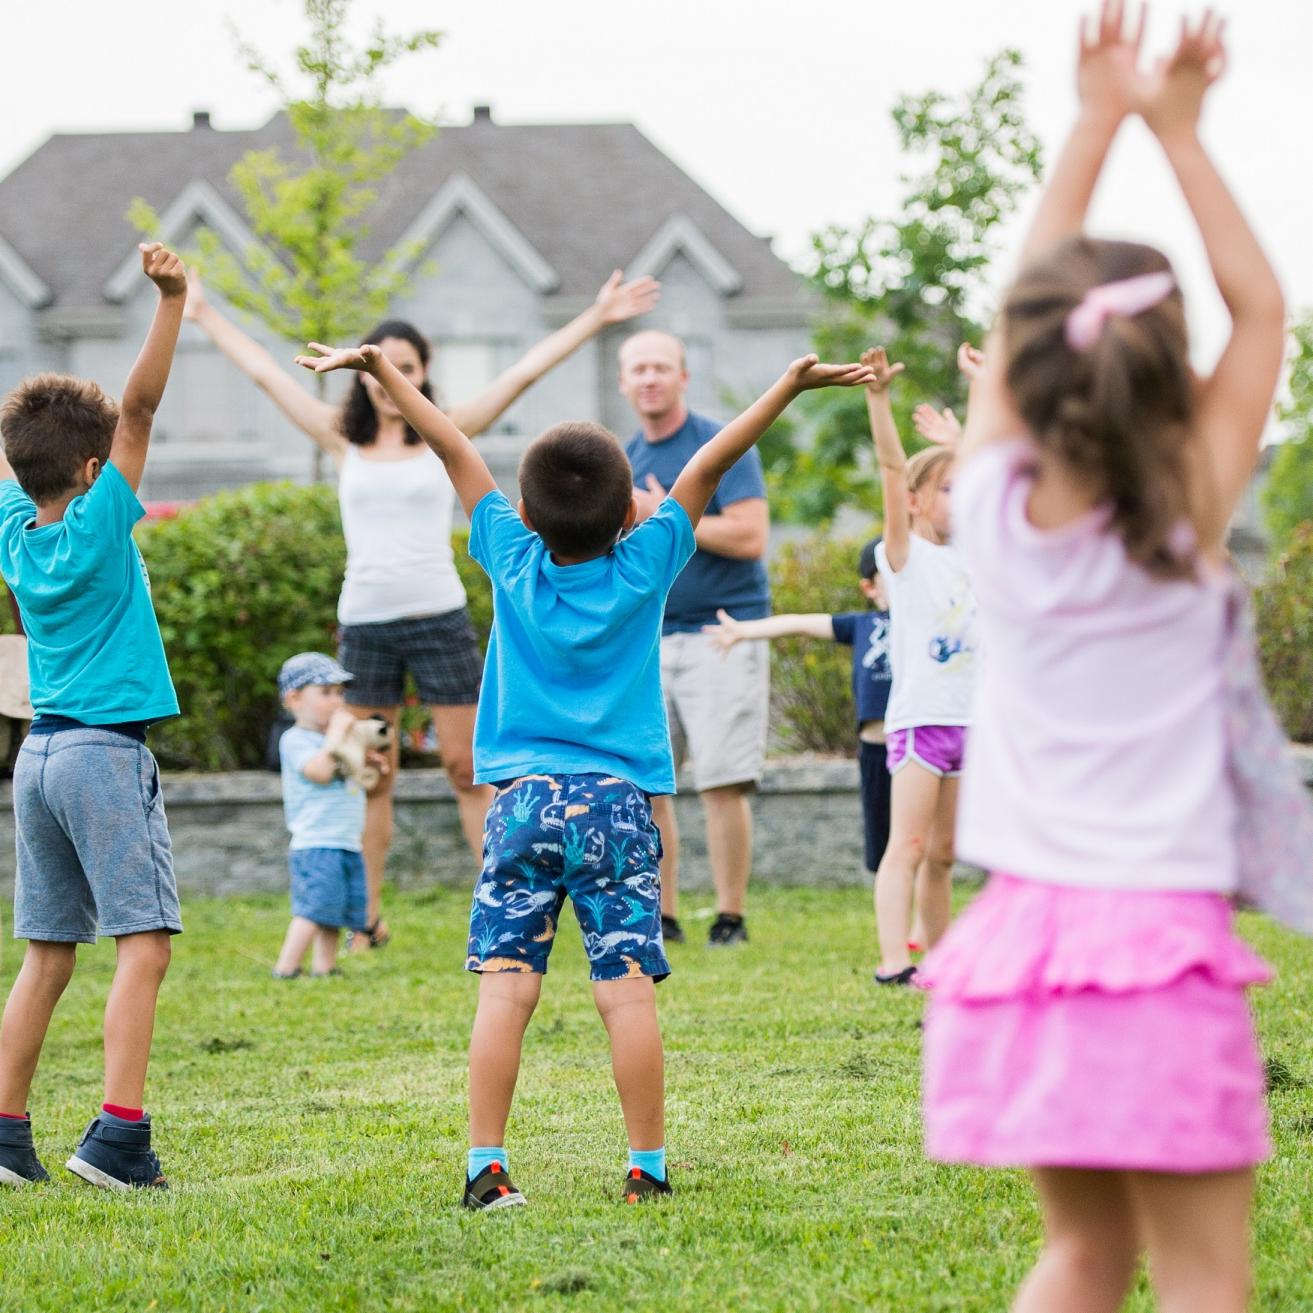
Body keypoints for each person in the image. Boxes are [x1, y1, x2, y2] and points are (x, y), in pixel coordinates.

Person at [292, 333, 871, 1207]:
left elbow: (451, 444)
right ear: (629, 516)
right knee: (626, 993)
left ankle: (486, 1164)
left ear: (521, 512)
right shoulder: (647, 562)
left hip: (522, 805)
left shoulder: (510, 555)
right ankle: (647, 1166)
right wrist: (786, 383)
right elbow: (710, 463)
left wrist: (378, 373)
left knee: (506, 989)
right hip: (615, 808)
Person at [920, 7, 1286, 1311]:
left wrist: (1094, 121)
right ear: (1170, 373)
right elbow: (1265, 311)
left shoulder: (993, 510)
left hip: (1020, 944)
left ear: (1026, 364)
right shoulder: (1188, 509)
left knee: (1078, 1257)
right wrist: (1181, 135)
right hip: (1156, 952)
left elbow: (1029, 313)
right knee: (1202, 1279)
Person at [185, 270, 661, 948]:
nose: (386, 381)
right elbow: (265, 373)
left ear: (421, 371)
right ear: (359, 376)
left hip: (436, 613)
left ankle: (510, 896)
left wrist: (597, 314)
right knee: (367, 773)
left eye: (403, 368)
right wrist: (201, 311)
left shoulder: (447, 429)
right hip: (366, 620)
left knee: (467, 769)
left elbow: (523, 372)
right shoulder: (338, 436)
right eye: (379, 370)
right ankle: (365, 918)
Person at [0, 243, 188, 1190]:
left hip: (34, 759)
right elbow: (142, 408)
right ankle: (117, 1138)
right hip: (104, 756)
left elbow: (19, 451)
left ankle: (2, 1134)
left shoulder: (12, 528)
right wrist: (171, 298)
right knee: (143, 942)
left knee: (44, 956)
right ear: (90, 464)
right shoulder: (100, 516)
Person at [620, 331, 771, 946]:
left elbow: (750, 536)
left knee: (721, 779)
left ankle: (729, 916)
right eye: (638, 369)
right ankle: (666, 914)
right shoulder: (622, 456)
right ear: (625, 383)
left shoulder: (719, 442)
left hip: (722, 632)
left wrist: (669, 517)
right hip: (648, 640)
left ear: (684, 376)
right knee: (651, 781)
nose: (650, 377)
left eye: (661, 366)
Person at [865, 347, 977, 984]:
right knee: (906, 847)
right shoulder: (903, 557)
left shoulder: (978, 553)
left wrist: (966, 434)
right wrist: (879, 401)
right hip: (921, 723)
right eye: (948, 490)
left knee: (945, 853)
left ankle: (942, 961)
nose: (963, 500)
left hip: (970, 721)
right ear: (914, 501)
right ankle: (892, 963)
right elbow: (888, 466)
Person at [702, 537, 893, 879]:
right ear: (870, 587)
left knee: (920, 841)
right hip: (876, 751)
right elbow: (799, 622)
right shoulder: (860, 625)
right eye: (889, 573)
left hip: (917, 746)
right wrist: (744, 631)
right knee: (882, 847)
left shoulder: (926, 623)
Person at [273, 652, 386, 980]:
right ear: (294, 699)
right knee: (314, 907)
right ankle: (288, 966)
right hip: (316, 841)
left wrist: (368, 763)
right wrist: (338, 735)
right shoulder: (295, 740)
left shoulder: (332, 742)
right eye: (326, 693)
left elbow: (348, 772)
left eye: (340, 693)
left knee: (335, 908)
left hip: (346, 839)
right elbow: (320, 771)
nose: (337, 702)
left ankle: (325, 966)